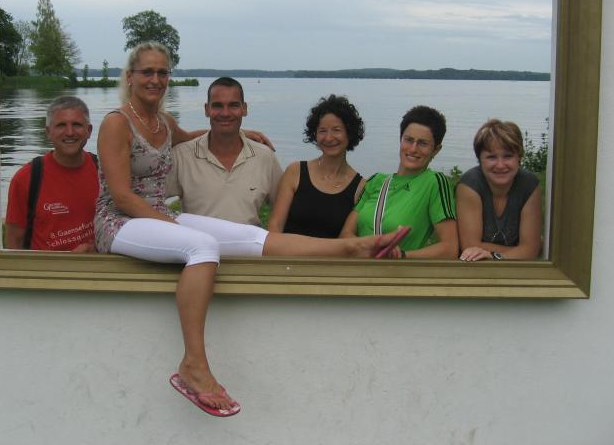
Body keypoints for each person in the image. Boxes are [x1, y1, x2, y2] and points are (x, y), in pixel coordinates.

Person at [93, 41, 401, 417]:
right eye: (147, 72)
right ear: (130, 77)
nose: (155, 79)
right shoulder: (116, 123)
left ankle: (351, 247)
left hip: (154, 215)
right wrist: (171, 225)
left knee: (255, 238)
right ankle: (193, 364)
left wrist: (244, 132)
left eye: (162, 72)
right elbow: (122, 196)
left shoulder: (163, 123)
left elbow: (194, 136)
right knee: (202, 246)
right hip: (119, 222)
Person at [340, 105, 458, 259]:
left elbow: (449, 248)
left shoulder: (434, 182)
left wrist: (402, 255)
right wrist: (366, 248)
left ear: (436, 149)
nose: (413, 149)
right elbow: (345, 234)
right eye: (408, 140)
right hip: (359, 269)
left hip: (400, 271)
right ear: (400, 140)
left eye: (423, 143)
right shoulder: (377, 181)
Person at [168, 77, 282, 226]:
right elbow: (150, 199)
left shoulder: (265, 157)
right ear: (206, 110)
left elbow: (284, 208)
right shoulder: (181, 156)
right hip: (197, 241)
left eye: (233, 105)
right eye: (217, 106)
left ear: (244, 109)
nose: (225, 113)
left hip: (248, 241)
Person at [5, 96, 99, 252]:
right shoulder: (26, 178)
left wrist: (95, 249)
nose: (70, 132)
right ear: (48, 132)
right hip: (46, 266)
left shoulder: (105, 172)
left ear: (89, 131)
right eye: (61, 125)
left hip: (97, 263)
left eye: (76, 125)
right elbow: (14, 242)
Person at [268, 94, 366, 238]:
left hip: (331, 254)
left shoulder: (360, 187)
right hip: (287, 252)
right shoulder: (295, 172)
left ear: (349, 133)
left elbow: (348, 238)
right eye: (322, 131)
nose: (329, 138)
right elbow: (275, 225)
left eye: (336, 130)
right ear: (314, 135)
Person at [457, 119, 542, 261]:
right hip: (474, 267)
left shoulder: (529, 186)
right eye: (491, 157)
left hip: (517, 270)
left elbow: (530, 251)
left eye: (508, 156)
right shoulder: (470, 185)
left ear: (519, 157)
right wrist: (520, 251)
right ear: (480, 159)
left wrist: (494, 256)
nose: (500, 165)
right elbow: (470, 247)